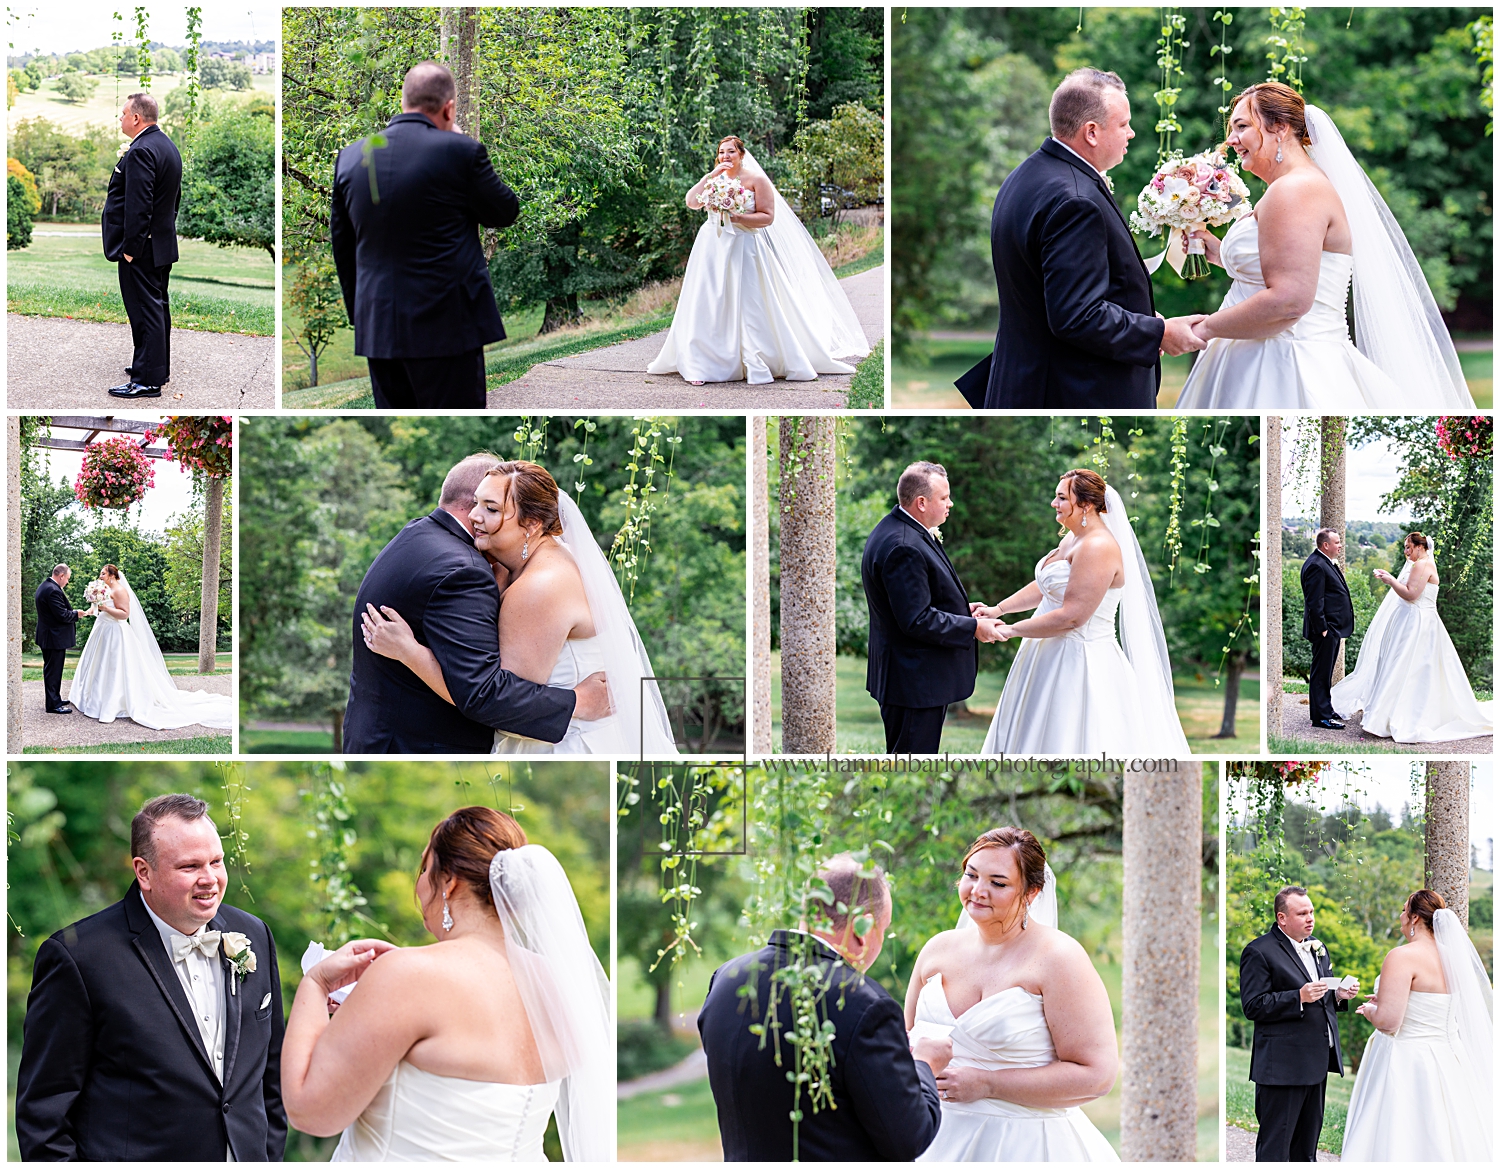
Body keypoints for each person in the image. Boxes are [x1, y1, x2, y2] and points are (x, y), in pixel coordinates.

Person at [281, 807, 612, 1161]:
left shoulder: (407, 976)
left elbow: (309, 1111)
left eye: (424, 868)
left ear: (449, 880)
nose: (420, 883)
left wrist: (316, 984)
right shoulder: (560, 984)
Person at [15, 794, 287, 1160]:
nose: (210, 879)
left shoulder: (254, 933)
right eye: (190, 866)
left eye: (217, 862)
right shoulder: (78, 958)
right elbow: (44, 1113)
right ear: (144, 871)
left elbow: (272, 1076)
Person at [1177, 82, 1474, 410]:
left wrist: (1201, 328)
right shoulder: (1292, 187)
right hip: (1254, 354)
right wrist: (1220, 253)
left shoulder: (1295, 190)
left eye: (1242, 127)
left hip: (1286, 364)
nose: (1230, 140)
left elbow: (1289, 301)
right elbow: (1283, 266)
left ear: (1280, 127)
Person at [361, 459, 679, 755]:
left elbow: (498, 708)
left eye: (492, 509)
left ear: (531, 524)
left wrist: (410, 652)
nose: (473, 516)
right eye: (476, 504)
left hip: (567, 744)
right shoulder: (545, 558)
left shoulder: (538, 588)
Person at [959, 68, 1205, 410]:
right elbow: (1077, 315)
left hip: (1023, 379)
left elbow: (1059, 293)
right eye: (1123, 125)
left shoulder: (1025, 176)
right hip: (1070, 390)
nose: (1132, 133)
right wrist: (1157, 333)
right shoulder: (1075, 199)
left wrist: (1140, 315)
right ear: (1091, 132)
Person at [698, 856, 943, 1160]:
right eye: (883, 929)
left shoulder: (726, 979)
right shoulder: (866, 1007)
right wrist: (924, 1064)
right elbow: (910, 1138)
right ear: (862, 929)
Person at [906, 828, 1119, 1162]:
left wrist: (989, 1084)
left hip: (1025, 1144)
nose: (978, 891)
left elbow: (1097, 1075)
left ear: (1031, 892)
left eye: (998, 883)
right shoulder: (937, 949)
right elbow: (904, 1045)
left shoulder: (1059, 959)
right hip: (932, 1140)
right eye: (971, 875)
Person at [330, 61, 520, 409]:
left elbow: (342, 247)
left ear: (404, 102)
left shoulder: (351, 156)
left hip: (379, 328)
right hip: (448, 328)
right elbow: (504, 211)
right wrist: (463, 141)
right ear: (449, 108)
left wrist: (363, 315)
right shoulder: (460, 152)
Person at [978, 469, 1191, 757]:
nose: (1054, 503)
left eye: (1062, 497)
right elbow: (1046, 584)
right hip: (1045, 652)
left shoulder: (1098, 546)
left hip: (1079, 661)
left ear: (1086, 505)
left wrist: (1010, 629)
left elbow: (1072, 617)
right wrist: (998, 609)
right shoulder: (1074, 537)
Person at [646, 134, 869, 385]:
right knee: (706, 301)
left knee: (749, 303)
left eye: (730, 151)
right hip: (711, 247)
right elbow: (691, 202)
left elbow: (767, 217)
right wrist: (710, 175)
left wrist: (736, 217)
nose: (725, 156)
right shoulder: (714, 179)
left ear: (741, 154)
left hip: (744, 246)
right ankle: (701, 363)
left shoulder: (757, 180)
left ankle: (755, 358)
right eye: (721, 152)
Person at [860, 462, 1002, 754]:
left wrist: (963, 609)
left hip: (910, 678)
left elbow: (917, 598)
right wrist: (973, 627)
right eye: (944, 498)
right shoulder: (903, 546)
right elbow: (917, 619)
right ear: (921, 503)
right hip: (914, 684)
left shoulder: (902, 528)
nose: (951, 503)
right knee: (913, 763)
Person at [1341, 890, 1492, 1162]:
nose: (1400, 916)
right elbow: (1431, 1004)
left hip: (1406, 1060)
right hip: (1449, 1060)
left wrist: (1371, 1010)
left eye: (1403, 910)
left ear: (1413, 918)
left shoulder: (1402, 956)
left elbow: (1389, 1022)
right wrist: (1387, 1000)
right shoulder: (1453, 959)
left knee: (1400, 1136)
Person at [1331, 533, 1493, 741]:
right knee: (1404, 667)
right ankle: (1389, 712)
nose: (1406, 552)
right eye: (1405, 548)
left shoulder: (1422, 566)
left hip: (1418, 623)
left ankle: (1399, 714)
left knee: (1408, 666)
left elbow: (1410, 595)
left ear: (1420, 546)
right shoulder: (1420, 564)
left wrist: (1389, 580)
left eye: (1408, 547)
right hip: (1414, 619)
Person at [1238, 885, 1359, 1162]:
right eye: (1302, 913)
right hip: (1282, 1067)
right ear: (1282, 918)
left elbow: (1322, 999)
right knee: (1276, 1149)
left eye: (1312, 911)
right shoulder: (1259, 951)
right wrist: (1298, 997)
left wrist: (1338, 995)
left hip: (1316, 1064)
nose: (1310, 918)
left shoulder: (1318, 947)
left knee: (1306, 1150)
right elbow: (1253, 1005)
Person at [69, 564, 234, 730]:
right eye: (101, 573)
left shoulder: (119, 591)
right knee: (98, 665)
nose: (100, 576)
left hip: (115, 632)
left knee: (114, 667)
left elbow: (124, 614)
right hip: (101, 630)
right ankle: (92, 699)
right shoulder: (103, 589)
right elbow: (97, 608)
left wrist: (105, 608)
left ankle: (113, 704)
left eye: (103, 573)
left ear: (112, 575)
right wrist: (87, 611)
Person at [102, 91, 182, 399]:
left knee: (144, 311)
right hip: (160, 244)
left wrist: (131, 248)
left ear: (136, 118)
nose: (120, 119)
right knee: (157, 308)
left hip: (141, 249)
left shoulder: (142, 151)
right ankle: (155, 367)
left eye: (123, 114)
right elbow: (173, 200)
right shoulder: (167, 146)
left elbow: (139, 206)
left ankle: (147, 381)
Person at [1301, 528, 1354, 730]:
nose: (1340, 546)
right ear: (1326, 545)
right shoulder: (1316, 565)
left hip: (1333, 628)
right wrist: (1323, 628)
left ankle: (1326, 709)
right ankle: (1320, 717)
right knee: (1321, 673)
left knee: (1326, 672)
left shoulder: (1324, 562)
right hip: (1326, 629)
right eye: (1337, 542)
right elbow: (1315, 601)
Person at [34, 563, 85, 714]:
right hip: (53, 638)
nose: (67, 582)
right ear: (61, 576)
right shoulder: (52, 590)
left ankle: (55, 698)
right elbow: (62, 615)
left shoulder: (46, 586)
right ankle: (53, 705)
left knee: (53, 670)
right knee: (53, 672)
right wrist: (77, 614)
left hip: (49, 637)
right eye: (67, 578)